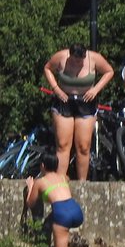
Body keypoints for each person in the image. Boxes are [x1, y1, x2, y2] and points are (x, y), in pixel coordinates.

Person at [43, 43, 115, 180]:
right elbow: (47, 68)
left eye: (80, 60)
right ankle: (60, 179)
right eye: (74, 59)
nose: (77, 63)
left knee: (83, 145)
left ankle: (82, 182)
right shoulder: (61, 57)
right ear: (70, 55)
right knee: (63, 144)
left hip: (86, 103)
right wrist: (56, 88)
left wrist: (96, 89)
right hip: (64, 101)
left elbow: (109, 71)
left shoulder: (94, 58)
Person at [24, 153, 84, 247]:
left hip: (62, 214)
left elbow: (30, 203)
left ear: (43, 166)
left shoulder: (40, 182)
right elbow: (64, 184)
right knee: (62, 245)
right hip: (76, 211)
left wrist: (30, 187)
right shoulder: (63, 177)